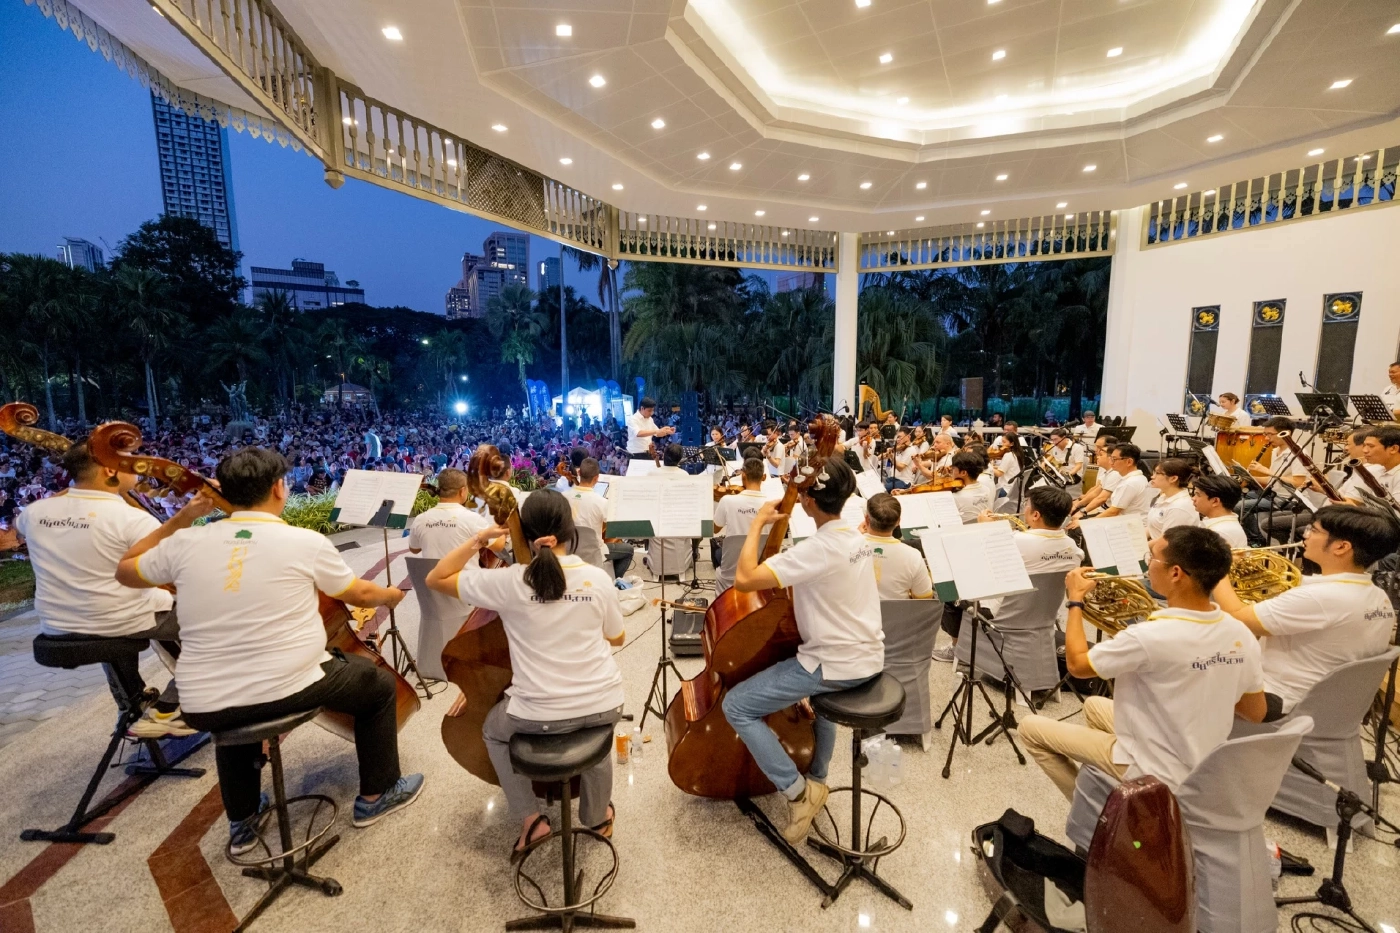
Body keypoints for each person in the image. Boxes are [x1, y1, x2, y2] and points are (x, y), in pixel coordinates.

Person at [115, 448, 422, 852]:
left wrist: (184, 516)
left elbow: (126, 570)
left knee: (233, 708)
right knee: (377, 684)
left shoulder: (185, 542)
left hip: (202, 701)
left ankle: (242, 821)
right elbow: (359, 593)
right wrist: (391, 596)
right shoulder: (303, 542)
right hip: (286, 688)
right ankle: (377, 794)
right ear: (278, 488)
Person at [426, 490, 626, 859]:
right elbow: (617, 637)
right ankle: (597, 817)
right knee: (599, 730)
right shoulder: (597, 579)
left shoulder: (509, 581)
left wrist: (480, 539)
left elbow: (437, 578)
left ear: (522, 533)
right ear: (570, 530)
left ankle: (532, 820)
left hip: (536, 715)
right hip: (604, 704)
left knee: (493, 732)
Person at [1017, 526, 1266, 799]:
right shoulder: (1240, 632)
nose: (1148, 565)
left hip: (1154, 766)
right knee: (1093, 705)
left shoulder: (1148, 636)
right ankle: (1116, 791)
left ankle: (1099, 813)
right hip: (1205, 762)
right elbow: (1255, 712)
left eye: (1152, 558)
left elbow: (1076, 665)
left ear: (1175, 573)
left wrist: (1075, 600)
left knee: (1030, 729)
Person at [724, 458, 883, 844]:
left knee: (736, 706)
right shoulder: (857, 537)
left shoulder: (818, 549)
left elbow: (744, 579)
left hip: (835, 664)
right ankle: (818, 778)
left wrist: (758, 524)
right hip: (869, 656)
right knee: (820, 699)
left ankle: (797, 793)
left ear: (808, 501)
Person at [16, 441, 202, 738]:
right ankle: (171, 708)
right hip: (120, 620)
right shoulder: (130, 518)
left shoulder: (34, 512)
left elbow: (26, 526)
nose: (138, 469)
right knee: (219, 622)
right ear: (111, 470)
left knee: (110, 610)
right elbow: (174, 567)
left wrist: (75, 492)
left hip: (57, 625)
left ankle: (131, 702)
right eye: (131, 463)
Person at [1214, 505, 1400, 722]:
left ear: (1341, 547)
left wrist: (1218, 567)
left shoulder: (1320, 598)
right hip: (1331, 705)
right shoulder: (1378, 596)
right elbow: (1304, 589)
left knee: (1188, 668)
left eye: (1314, 530)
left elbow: (1238, 617)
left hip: (1282, 699)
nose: (1306, 534)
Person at [713, 457, 773, 592]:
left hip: (731, 572)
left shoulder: (727, 501)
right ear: (763, 477)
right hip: (760, 571)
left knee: (718, 552)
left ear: (743, 475)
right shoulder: (772, 503)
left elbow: (715, 529)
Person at [567, 457, 631, 578]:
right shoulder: (601, 502)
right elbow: (616, 526)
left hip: (569, 549)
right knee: (628, 550)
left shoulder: (563, 496)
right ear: (596, 478)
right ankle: (613, 582)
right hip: (593, 551)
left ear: (579, 473)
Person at [861, 493, 933, 600]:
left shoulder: (846, 548)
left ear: (867, 519)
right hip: (898, 611)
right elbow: (924, 599)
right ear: (898, 522)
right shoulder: (913, 557)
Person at [409, 468, 490, 560]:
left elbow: (414, 549)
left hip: (434, 569)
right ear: (462, 491)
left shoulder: (420, 519)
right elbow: (497, 546)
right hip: (462, 570)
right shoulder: (474, 519)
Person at [1096, 443, 1155, 521]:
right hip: (1129, 521)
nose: (1111, 462)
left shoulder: (1130, 483)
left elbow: (1113, 512)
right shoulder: (1139, 477)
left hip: (1131, 524)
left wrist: (1088, 522)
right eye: (1111, 458)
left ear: (1129, 462)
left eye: (1114, 459)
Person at [1145, 458, 1198, 539]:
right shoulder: (1164, 496)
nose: (1152, 477)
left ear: (1173, 478)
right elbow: (1152, 527)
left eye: (1157, 473)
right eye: (1153, 473)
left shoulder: (1180, 506)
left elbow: (1166, 541)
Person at [1191, 474, 1248, 548]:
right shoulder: (1215, 522)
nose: (1193, 498)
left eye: (1198, 495)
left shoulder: (1221, 532)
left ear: (1215, 501)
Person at [949, 450, 992, 523]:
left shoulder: (955, 497)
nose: (951, 472)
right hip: (981, 524)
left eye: (953, 469)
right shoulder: (986, 489)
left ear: (963, 473)